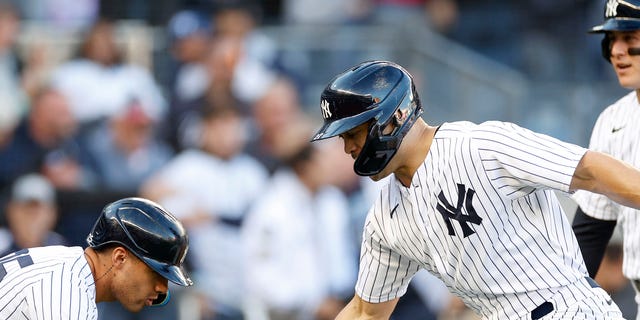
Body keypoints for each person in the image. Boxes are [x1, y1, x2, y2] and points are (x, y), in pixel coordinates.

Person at [309, 60, 640, 319]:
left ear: (394, 117)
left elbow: (588, 170)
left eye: (353, 132)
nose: (348, 147)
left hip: (567, 310)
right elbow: (366, 311)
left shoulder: (480, 146)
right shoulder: (384, 219)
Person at [0, 197, 193, 319]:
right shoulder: (68, 291)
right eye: (155, 273)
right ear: (119, 258)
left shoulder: (67, 264)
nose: (162, 289)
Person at [572, 1, 640, 319]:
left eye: (630, 38)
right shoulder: (613, 121)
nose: (617, 51)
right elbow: (589, 234)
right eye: (612, 40)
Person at [0, 173, 66, 257]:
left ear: (53, 213)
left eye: (38, 212)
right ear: (11, 211)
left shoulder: (60, 247)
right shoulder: (2, 244)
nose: (32, 218)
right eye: (26, 210)